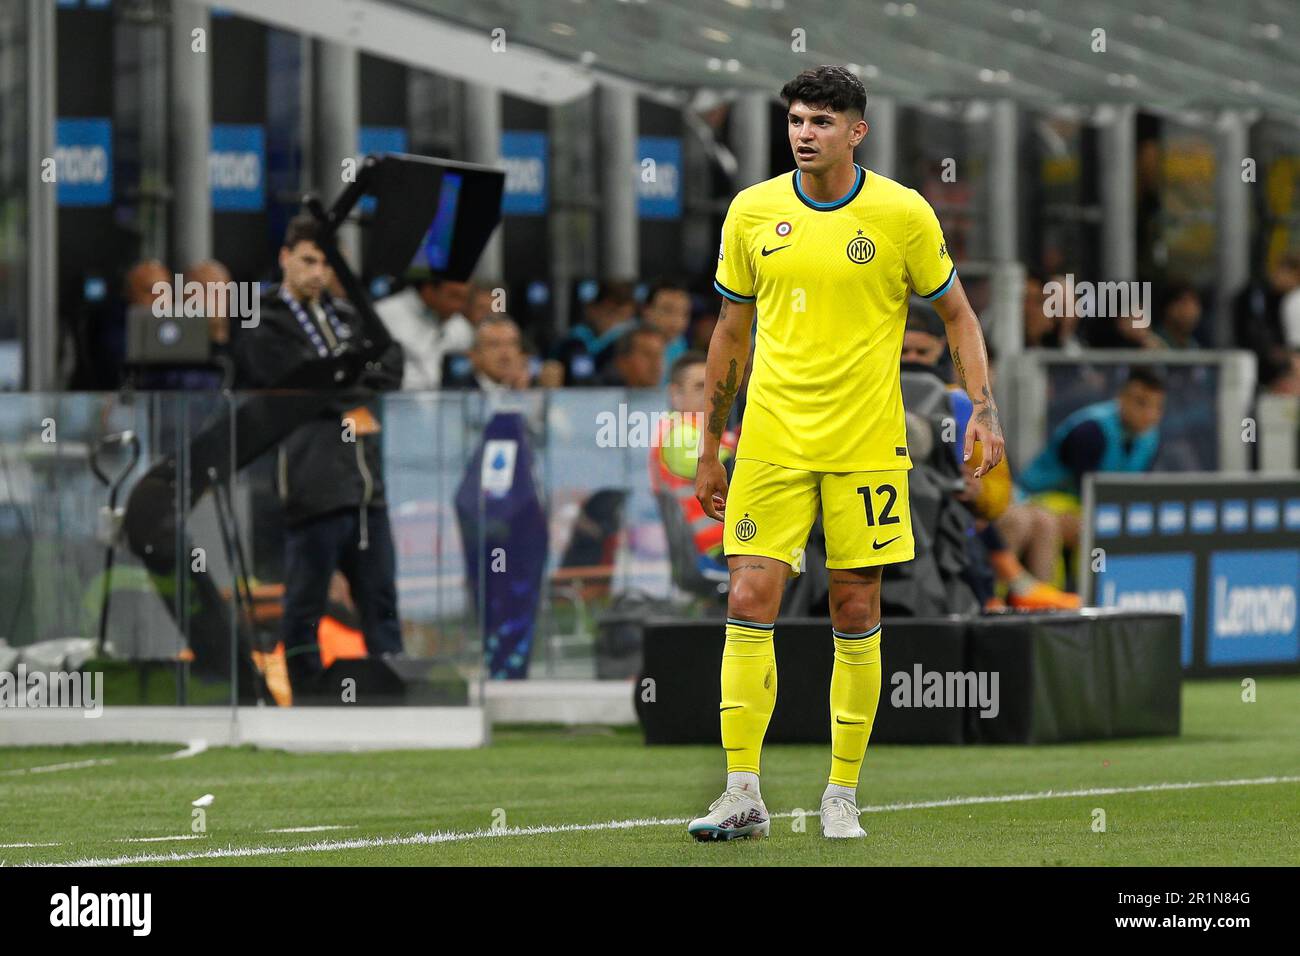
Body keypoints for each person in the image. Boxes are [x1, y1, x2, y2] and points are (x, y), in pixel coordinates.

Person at [686, 65, 1004, 842]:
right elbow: (730, 334)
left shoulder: (901, 213)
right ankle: (742, 790)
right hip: (770, 442)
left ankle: (841, 792)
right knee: (745, 600)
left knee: (855, 607)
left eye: (822, 122)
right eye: (796, 119)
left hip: (865, 444)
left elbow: (958, 316)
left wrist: (982, 410)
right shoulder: (752, 211)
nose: (804, 133)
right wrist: (709, 444)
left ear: (857, 131)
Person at [233, 213, 405, 696]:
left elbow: (390, 368)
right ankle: (307, 696)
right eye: (308, 260)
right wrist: (350, 385)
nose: (317, 273)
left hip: (368, 485)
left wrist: (343, 381)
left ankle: (391, 694)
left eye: (327, 264)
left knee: (380, 599)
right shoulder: (263, 316)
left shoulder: (349, 317)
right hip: (312, 483)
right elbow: (294, 381)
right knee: (305, 605)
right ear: (285, 257)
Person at [902, 305, 1077, 610]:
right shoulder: (868, 398)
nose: (913, 362)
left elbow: (998, 491)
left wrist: (978, 491)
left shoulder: (960, 405)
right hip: (882, 512)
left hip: (947, 518)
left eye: (921, 353)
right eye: (904, 353)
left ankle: (1010, 599)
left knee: (964, 514)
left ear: (940, 349)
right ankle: (1008, 586)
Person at [1016, 367, 1166, 555]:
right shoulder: (1090, 430)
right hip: (1042, 497)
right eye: (1141, 403)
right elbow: (1085, 493)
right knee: (1089, 529)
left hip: (1097, 506)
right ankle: (1072, 584)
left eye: (1158, 407)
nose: (1150, 414)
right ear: (1122, 398)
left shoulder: (1151, 437)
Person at [649, 351, 738, 577]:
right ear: (675, 394)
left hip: (731, 544)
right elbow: (732, 467)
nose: (711, 394)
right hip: (715, 551)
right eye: (700, 387)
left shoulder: (705, 431)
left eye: (714, 385)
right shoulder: (678, 434)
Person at [374, 270, 472, 389]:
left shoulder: (461, 326)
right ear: (429, 290)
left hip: (446, 403)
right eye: (454, 296)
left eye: (465, 298)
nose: (460, 306)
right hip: (396, 401)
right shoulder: (383, 315)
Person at [550, 280, 638, 385]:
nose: (617, 322)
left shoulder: (625, 342)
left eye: (625, 317)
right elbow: (582, 381)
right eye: (611, 312)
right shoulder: (575, 342)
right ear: (593, 309)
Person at [444, 315, 531, 391]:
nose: (505, 352)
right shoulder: (459, 391)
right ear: (474, 356)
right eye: (495, 344)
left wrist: (520, 394)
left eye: (512, 344)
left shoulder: (533, 388)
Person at [639, 278, 692, 383]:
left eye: (684, 313)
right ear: (646, 311)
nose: (676, 320)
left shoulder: (681, 344)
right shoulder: (626, 343)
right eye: (668, 310)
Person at [594, 325, 666, 388]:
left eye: (659, 355)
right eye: (647, 354)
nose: (655, 363)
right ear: (622, 362)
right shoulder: (595, 394)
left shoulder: (672, 398)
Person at [1153, 281, 1203, 349]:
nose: (1191, 310)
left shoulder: (1193, 345)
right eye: (1184, 303)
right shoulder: (1153, 343)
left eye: (1195, 303)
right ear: (1168, 308)